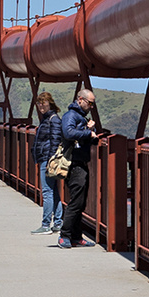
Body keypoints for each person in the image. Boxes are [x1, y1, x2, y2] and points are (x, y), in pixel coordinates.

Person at [58, 88, 100, 249]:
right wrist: (88, 133)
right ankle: (64, 236)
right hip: (74, 163)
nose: (91, 106)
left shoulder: (80, 117)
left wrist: (91, 132)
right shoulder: (71, 116)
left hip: (80, 162)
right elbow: (68, 133)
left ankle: (76, 236)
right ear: (80, 99)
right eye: (90, 103)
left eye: (93, 104)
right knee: (76, 201)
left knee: (80, 202)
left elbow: (83, 136)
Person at [31, 92, 63, 234]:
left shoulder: (53, 119)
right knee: (54, 191)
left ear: (50, 103)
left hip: (47, 159)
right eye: (39, 103)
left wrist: (50, 160)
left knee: (47, 192)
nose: (41, 106)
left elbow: (55, 141)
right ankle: (58, 222)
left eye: (43, 103)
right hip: (44, 157)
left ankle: (45, 225)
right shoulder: (47, 119)